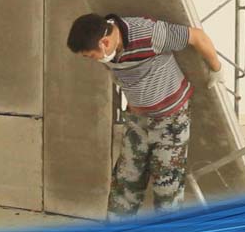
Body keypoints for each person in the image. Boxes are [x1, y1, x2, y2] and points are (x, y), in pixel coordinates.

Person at [67, 13, 223, 219]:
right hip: (137, 121)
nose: (92, 60)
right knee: (125, 183)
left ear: (104, 42)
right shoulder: (108, 51)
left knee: (167, 188)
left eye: (90, 55)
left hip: (171, 121)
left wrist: (216, 69)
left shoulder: (149, 34)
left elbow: (197, 36)